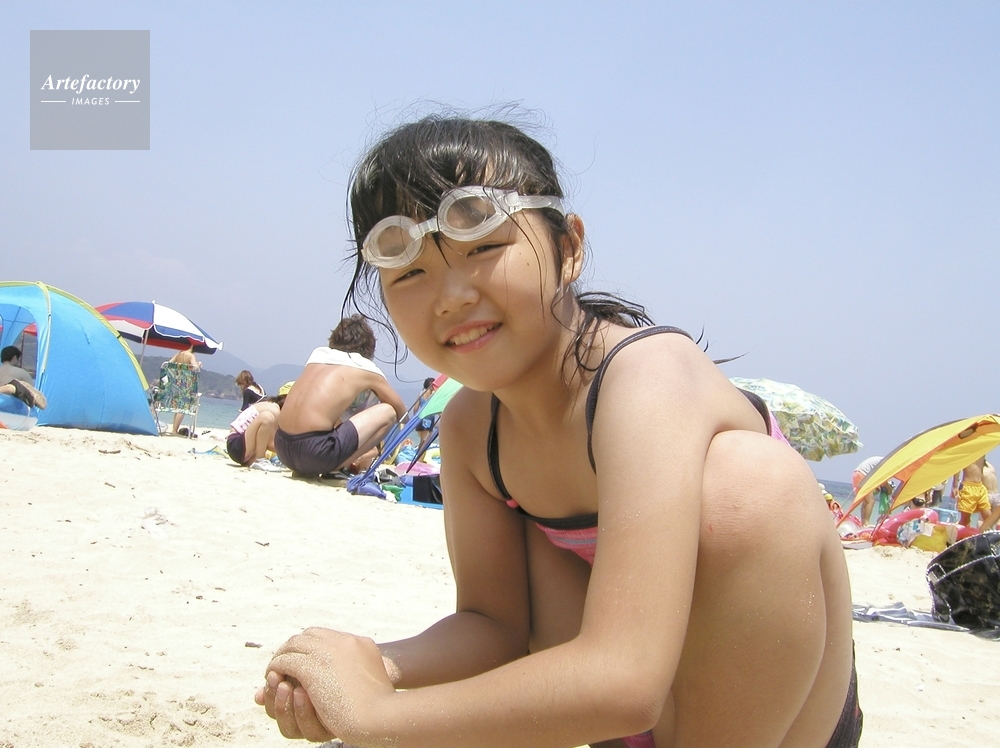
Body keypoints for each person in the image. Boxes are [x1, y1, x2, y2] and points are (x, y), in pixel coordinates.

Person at [256, 116, 860, 747]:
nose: (450, 296)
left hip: (767, 715)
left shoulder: (646, 376)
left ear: (569, 248)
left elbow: (625, 682)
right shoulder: (472, 428)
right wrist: (372, 668)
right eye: (408, 272)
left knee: (748, 487)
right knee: (541, 541)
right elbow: (493, 624)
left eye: (482, 245)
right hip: (624, 709)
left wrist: (375, 719)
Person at [273, 316, 407, 478]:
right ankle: (337, 468)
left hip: (282, 448)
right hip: (314, 453)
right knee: (388, 412)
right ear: (369, 347)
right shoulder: (364, 366)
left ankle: (332, 464)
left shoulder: (317, 355)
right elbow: (402, 414)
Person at [226, 397, 283, 469]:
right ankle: (260, 459)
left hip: (240, 448)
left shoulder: (268, 405)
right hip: (236, 445)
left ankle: (256, 460)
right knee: (267, 417)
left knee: (265, 433)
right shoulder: (274, 410)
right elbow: (270, 444)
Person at [168, 344, 201, 435]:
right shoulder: (190, 355)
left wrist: (180, 367)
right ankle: (174, 430)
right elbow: (195, 368)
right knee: (182, 407)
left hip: (177, 382)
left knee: (178, 406)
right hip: (186, 383)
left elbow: (169, 364)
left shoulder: (179, 354)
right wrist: (199, 364)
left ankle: (174, 429)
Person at [951, 455, 992, 527]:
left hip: (980, 487)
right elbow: (958, 467)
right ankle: (957, 533)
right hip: (967, 487)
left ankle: (985, 533)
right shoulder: (967, 451)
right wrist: (955, 486)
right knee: (965, 520)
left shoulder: (982, 450)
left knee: (989, 517)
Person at [852, 455, 890, 525]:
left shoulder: (883, 460)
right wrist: (889, 489)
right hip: (862, 475)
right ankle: (866, 523)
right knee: (870, 501)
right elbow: (883, 480)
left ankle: (863, 523)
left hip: (858, 474)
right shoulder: (887, 463)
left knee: (866, 501)